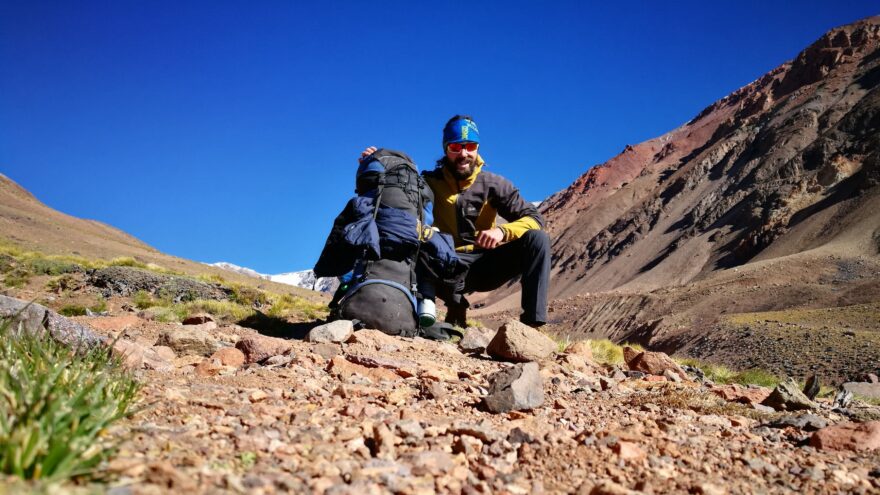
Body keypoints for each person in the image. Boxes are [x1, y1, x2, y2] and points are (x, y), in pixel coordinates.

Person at [360, 115, 550, 327]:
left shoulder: (495, 185)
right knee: (408, 236)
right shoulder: (429, 182)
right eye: (455, 147)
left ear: (477, 148)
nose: (464, 153)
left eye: (470, 146)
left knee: (537, 240)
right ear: (445, 149)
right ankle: (418, 308)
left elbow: (535, 219)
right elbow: (398, 187)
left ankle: (532, 325)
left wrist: (502, 232)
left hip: (483, 266)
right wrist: (375, 164)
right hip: (443, 265)